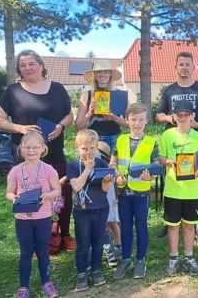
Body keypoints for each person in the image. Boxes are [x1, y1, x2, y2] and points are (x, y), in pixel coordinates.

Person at [0, 49, 75, 252]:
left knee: (62, 193)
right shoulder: (12, 91)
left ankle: (64, 233)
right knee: (29, 195)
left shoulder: (57, 88)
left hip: (54, 152)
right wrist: (19, 128)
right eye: (23, 65)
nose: (27, 68)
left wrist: (61, 126)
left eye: (31, 64)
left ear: (41, 66)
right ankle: (35, 239)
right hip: (26, 155)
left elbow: (69, 116)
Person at [155, 51, 198, 244]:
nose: (184, 67)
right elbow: (159, 115)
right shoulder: (169, 90)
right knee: (172, 182)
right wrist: (171, 118)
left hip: (195, 144)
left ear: (193, 67)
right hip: (173, 144)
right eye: (181, 64)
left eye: (187, 64)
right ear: (175, 67)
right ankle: (171, 222)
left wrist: (196, 124)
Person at [75, 59, 127, 268]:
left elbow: (129, 124)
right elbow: (78, 126)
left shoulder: (120, 95)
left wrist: (114, 118)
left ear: (110, 75)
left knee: (115, 186)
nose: (102, 75)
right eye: (99, 72)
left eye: (106, 72)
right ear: (95, 76)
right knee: (97, 184)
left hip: (115, 140)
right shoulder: (87, 95)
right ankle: (103, 234)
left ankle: (117, 236)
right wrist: (89, 113)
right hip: (94, 143)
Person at [5, 131, 62, 298]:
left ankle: (46, 282)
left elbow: (57, 190)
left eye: (35, 147)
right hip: (23, 219)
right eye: (27, 147)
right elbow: (8, 192)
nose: (31, 150)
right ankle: (23, 286)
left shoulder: (48, 169)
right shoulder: (15, 171)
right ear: (21, 149)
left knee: (43, 251)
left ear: (42, 148)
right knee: (25, 252)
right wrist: (13, 197)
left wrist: (48, 195)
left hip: (43, 217)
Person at [158, 100, 198, 277]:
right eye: (179, 115)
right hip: (173, 188)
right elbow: (161, 158)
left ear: (193, 116)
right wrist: (168, 162)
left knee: (189, 225)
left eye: (186, 115)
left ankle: (189, 257)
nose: (183, 118)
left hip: (191, 190)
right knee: (173, 226)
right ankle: (173, 258)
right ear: (173, 116)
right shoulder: (167, 135)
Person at [110, 103, 157, 280]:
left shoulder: (151, 142)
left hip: (141, 193)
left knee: (141, 225)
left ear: (146, 121)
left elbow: (155, 168)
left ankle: (140, 260)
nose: (137, 123)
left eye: (141, 120)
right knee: (125, 226)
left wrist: (149, 177)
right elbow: (113, 163)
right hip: (124, 192)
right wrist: (116, 176)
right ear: (127, 120)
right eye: (133, 119)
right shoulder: (120, 140)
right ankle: (126, 259)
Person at [63, 129, 115, 291]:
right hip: (82, 211)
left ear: (97, 147)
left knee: (98, 242)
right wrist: (87, 169)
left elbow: (104, 189)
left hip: (101, 208)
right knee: (83, 242)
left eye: (92, 148)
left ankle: (96, 270)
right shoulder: (73, 165)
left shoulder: (102, 164)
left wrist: (107, 182)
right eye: (84, 148)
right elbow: (77, 186)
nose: (89, 152)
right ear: (77, 148)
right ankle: (82, 272)